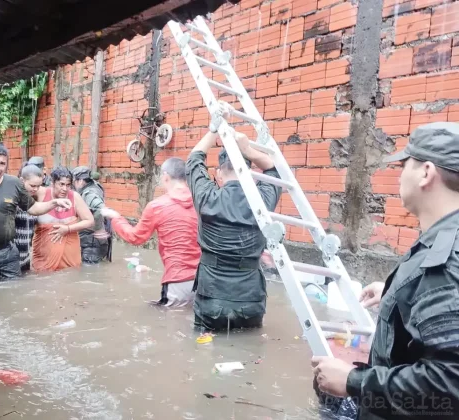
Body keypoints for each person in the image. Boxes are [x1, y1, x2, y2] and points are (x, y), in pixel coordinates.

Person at [311, 122, 459, 419]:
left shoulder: (445, 259)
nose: (399, 174)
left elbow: (449, 383)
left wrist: (354, 382)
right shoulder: (444, 239)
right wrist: (396, 296)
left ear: (426, 173)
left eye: (405, 165)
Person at [186, 109, 281, 331]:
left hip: (211, 300)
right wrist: (248, 149)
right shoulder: (262, 202)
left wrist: (215, 128)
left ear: (219, 173)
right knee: (250, 358)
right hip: (250, 300)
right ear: (248, 171)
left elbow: (193, 160)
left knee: (204, 353)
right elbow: (275, 170)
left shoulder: (207, 198)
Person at [102, 158, 201, 307]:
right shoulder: (203, 201)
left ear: (166, 176)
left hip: (177, 280)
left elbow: (135, 237)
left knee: (170, 323)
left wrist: (116, 218)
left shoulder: (157, 206)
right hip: (205, 280)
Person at [0, 143, 72, 283]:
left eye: (2, 163)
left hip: (7, 252)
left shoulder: (13, 183)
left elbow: (33, 208)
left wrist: (55, 202)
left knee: (13, 291)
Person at [31, 166, 95, 272]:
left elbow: (90, 221)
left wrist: (67, 229)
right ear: (53, 183)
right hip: (43, 258)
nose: (65, 189)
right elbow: (23, 190)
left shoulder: (74, 197)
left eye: (68, 185)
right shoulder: (41, 193)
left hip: (70, 260)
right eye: (61, 184)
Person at [72, 166, 112, 264]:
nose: (73, 185)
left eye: (74, 182)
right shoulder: (95, 186)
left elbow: (100, 209)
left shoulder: (89, 193)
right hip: (95, 241)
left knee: (88, 274)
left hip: (91, 242)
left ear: (81, 181)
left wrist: (97, 229)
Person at [14, 164, 43, 272]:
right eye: (32, 186)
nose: (36, 189)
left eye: (38, 186)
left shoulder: (35, 201)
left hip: (25, 257)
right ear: (22, 180)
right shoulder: (13, 199)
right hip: (11, 258)